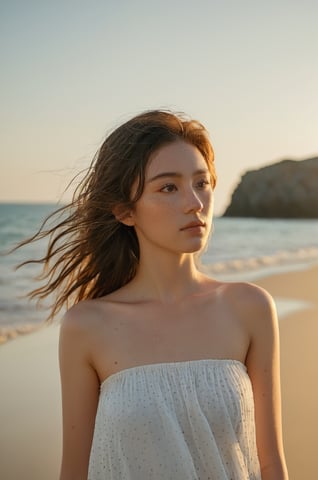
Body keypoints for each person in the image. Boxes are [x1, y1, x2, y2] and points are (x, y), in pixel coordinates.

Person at [21, 110, 288, 479]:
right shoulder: (87, 325)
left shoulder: (250, 307)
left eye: (202, 183)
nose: (195, 202)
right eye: (168, 187)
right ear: (125, 211)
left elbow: (270, 462)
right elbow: (75, 472)